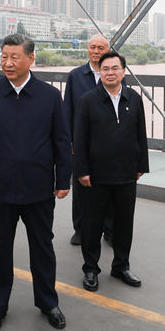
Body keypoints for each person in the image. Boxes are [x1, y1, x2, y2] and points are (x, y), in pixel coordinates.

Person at [0, 34, 72, 331]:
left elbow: (62, 141)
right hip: (1, 187)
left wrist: (63, 179)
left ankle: (48, 302)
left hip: (39, 189)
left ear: (31, 59)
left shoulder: (50, 96)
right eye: (4, 57)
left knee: (42, 248)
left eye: (14, 57)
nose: (7, 63)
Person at [73, 51, 149, 291]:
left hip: (127, 173)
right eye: (105, 69)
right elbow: (79, 139)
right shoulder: (87, 100)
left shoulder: (134, 98)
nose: (110, 73)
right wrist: (81, 170)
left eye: (115, 68)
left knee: (124, 224)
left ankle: (121, 266)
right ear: (100, 72)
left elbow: (141, 134)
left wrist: (141, 166)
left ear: (123, 72)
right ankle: (91, 269)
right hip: (96, 176)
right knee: (92, 225)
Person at [63, 35, 112, 246]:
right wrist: (69, 141)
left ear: (108, 51)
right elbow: (67, 110)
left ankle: (109, 229)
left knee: (110, 187)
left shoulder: (114, 74)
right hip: (81, 142)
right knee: (81, 187)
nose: (96, 51)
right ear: (87, 50)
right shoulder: (75, 76)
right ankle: (81, 229)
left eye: (101, 48)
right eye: (92, 47)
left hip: (108, 142)